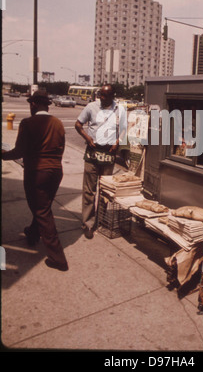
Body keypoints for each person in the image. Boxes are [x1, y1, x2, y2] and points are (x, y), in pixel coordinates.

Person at [2, 90, 68, 271]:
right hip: (56, 171)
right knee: (43, 206)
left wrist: (4, 155)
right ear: (47, 104)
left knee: (42, 211)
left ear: (33, 104)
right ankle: (32, 233)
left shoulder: (27, 123)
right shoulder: (59, 123)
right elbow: (60, 148)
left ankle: (58, 258)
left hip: (37, 172)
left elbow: (19, 151)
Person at [75, 84, 127, 239]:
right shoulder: (91, 107)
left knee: (105, 189)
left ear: (112, 96)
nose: (102, 98)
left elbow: (124, 129)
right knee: (89, 190)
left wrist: (118, 142)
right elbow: (78, 125)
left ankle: (101, 219)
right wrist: (87, 138)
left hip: (109, 153)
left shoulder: (119, 109)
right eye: (101, 95)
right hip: (93, 151)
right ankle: (88, 224)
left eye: (106, 96)